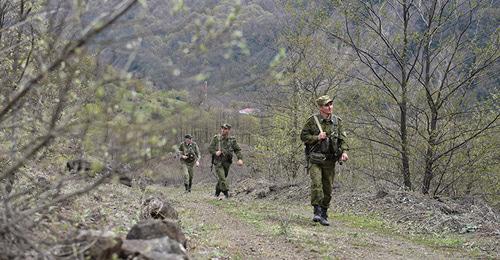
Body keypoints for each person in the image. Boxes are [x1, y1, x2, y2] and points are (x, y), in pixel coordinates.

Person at [300, 95, 349, 226]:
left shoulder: (337, 122)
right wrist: (317, 137)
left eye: (331, 104)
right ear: (321, 107)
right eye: (327, 105)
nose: (330, 107)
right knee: (317, 183)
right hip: (315, 158)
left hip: (330, 160)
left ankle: (324, 213)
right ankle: (316, 210)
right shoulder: (312, 121)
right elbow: (303, 136)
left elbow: (343, 139)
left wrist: (344, 152)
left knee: (328, 188)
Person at [208, 123, 243, 199]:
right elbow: (210, 148)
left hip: (227, 163)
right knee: (223, 178)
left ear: (229, 130)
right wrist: (215, 152)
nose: (223, 130)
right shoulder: (216, 138)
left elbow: (237, 150)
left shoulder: (232, 140)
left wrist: (240, 158)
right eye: (222, 128)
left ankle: (216, 193)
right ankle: (227, 194)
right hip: (218, 162)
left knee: (222, 178)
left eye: (225, 129)